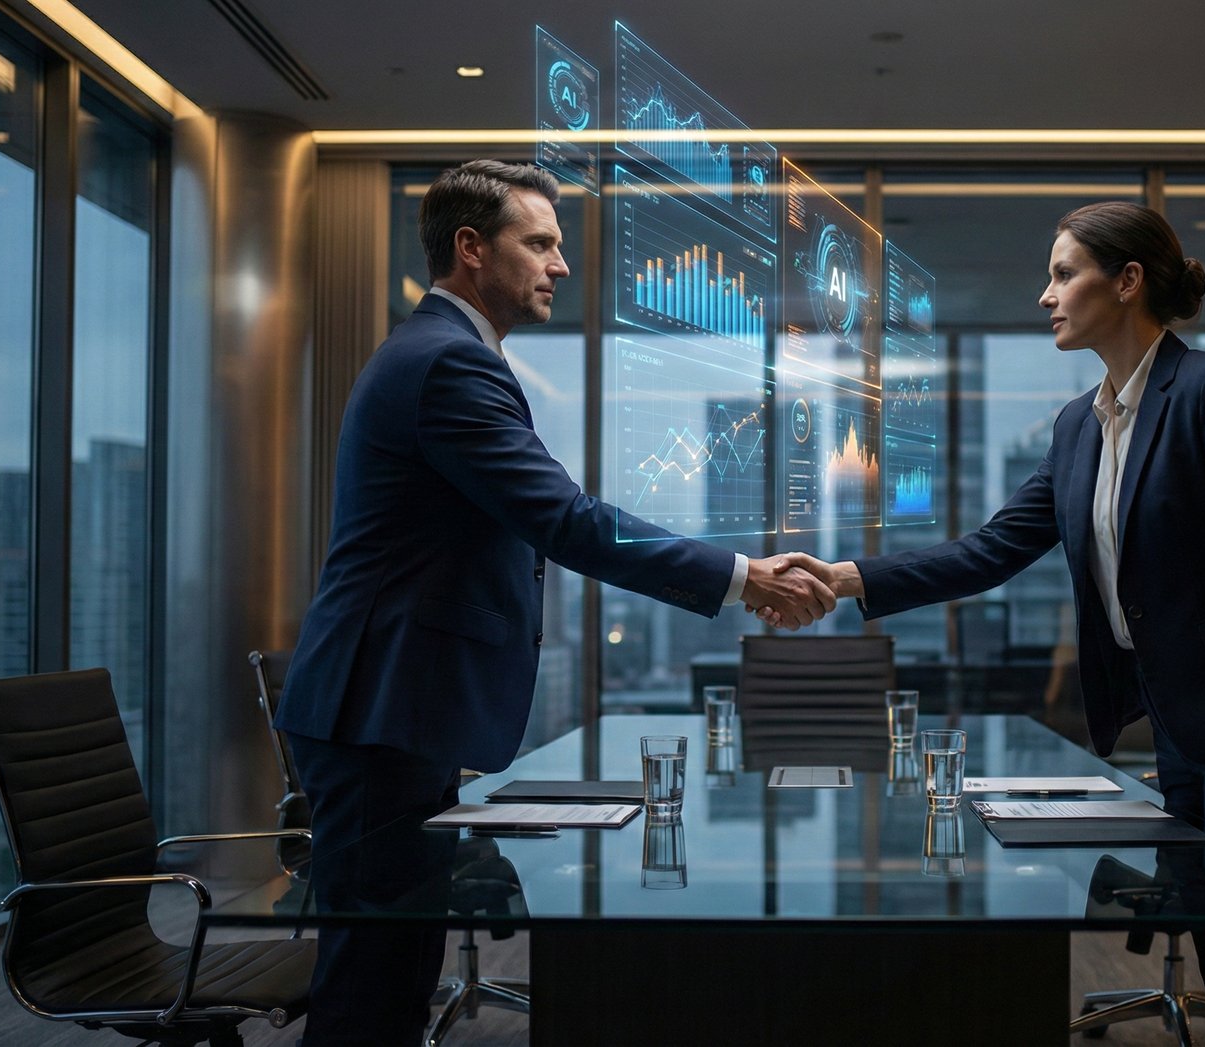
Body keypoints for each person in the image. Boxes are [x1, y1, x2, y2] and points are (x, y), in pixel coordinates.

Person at [273, 159, 834, 1045]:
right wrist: (743, 578)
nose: (560, 265)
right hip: (379, 705)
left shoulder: (445, 355)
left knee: (394, 968)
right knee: (373, 978)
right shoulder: (446, 363)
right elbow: (564, 520)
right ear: (469, 249)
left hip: (393, 703)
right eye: (539, 243)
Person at [777, 201, 1205, 1046]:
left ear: (1127, 282)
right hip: (1183, 729)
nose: (1046, 295)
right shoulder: (1081, 425)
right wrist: (854, 576)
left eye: (1062, 273)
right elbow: (994, 548)